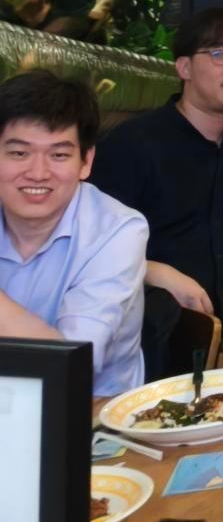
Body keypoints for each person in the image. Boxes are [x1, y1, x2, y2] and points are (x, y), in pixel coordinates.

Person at [92, 8, 223, 325]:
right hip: (151, 327)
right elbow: (91, 248)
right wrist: (152, 272)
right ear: (184, 67)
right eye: (222, 54)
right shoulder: (132, 144)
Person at [0, 71, 147, 394]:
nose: (38, 173)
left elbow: (71, 366)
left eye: (59, 155)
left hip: (90, 424)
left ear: (86, 161)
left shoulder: (118, 231)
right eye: (19, 153)